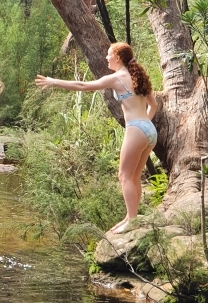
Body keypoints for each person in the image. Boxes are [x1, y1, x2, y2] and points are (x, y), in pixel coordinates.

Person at [35, 43, 157, 234]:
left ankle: (132, 219)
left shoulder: (117, 78)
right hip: (150, 130)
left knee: (124, 175)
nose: (106, 58)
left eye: (109, 55)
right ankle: (130, 216)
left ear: (118, 57)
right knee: (135, 176)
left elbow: (83, 86)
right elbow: (154, 106)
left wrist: (54, 81)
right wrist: (144, 126)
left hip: (137, 129)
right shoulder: (137, 76)